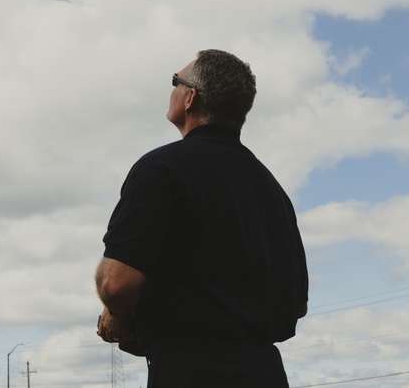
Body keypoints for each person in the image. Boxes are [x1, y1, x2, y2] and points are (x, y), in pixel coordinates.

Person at [95, 49, 308, 387]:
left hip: (191, 371)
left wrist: (118, 316)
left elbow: (116, 284)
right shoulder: (274, 191)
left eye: (175, 82)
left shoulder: (160, 169)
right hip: (267, 372)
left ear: (190, 97)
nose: (173, 90)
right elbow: (299, 306)